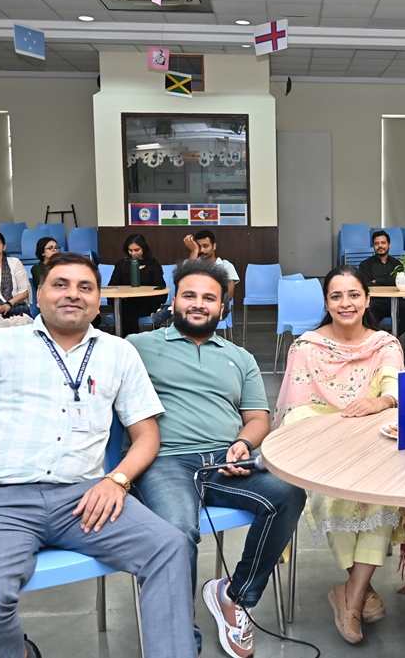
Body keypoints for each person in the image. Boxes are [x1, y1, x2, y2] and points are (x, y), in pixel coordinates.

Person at [0, 252, 198, 658]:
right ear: (39, 294)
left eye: (85, 287)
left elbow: (146, 436)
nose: (73, 294)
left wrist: (117, 481)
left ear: (98, 299)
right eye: (61, 285)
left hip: (84, 499)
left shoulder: (119, 353)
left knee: (170, 547)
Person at [127, 260, 306, 658]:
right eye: (189, 295)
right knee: (176, 531)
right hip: (165, 462)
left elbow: (258, 418)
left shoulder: (240, 357)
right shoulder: (137, 347)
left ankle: (235, 595)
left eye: (209, 298)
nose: (198, 304)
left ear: (222, 307)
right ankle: (179, 640)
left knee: (288, 493)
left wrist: (242, 443)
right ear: (174, 300)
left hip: (225, 462)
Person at [274, 265, 405, 645]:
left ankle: (351, 593)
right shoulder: (306, 348)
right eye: (336, 296)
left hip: (371, 440)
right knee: (331, 492)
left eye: (353, 295)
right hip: (320, 445)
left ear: (367, 299)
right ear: (327, 303)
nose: (346, 303)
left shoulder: (384, 344)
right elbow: (297, 411)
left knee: (381, 492)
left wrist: (380, 401)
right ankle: (360, 591)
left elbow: (394, 390)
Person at [358, 229, 405, 335]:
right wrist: (389, 281)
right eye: (376, 243)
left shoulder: (397, 264)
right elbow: (366, 284)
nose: (380, 246)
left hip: (397, 300)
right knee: (369, 320)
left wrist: (377, 280)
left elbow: (400, 281)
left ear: (389, 245)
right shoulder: (365, 264)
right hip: (376, 301)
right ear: (373, 246)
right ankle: (381, 336)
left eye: (383, 243)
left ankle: (390, 336)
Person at [108, 234, 165, 337]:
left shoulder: (153, 265)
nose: (133, 253)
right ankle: (131, 339)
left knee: (129, 309)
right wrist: (121, 295)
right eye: (130, 250)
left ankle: (124, 338)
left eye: (136, 250)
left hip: (146, 302)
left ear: (143, 248)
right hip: (125, 301)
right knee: (128, 307)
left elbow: (160, 287)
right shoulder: (122, 264)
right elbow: (112, 286)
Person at [183, 229, 238, 301]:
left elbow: (228, 296)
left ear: (214, 246)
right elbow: (185, 284)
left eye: (205, 246)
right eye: (198, 247)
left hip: (217, 305)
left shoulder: (226, 266)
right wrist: (194, 251)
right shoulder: (190, 263)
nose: (202, 250)